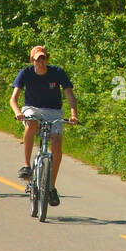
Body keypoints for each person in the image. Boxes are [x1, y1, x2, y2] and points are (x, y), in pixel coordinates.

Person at [9, 45, 79, 205]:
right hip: (32, 108)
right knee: (32, 123)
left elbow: (70, 95)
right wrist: (18, 112)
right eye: (37, 59)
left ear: (47, 59)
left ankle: (51, 187)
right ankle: (26, 165)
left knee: (56, 144)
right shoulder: (26, 73)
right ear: (32, 60)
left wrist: (73, 114)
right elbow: (13, 98)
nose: (41, 62)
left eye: (43, 59)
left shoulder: (58, 73)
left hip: (54, 111)